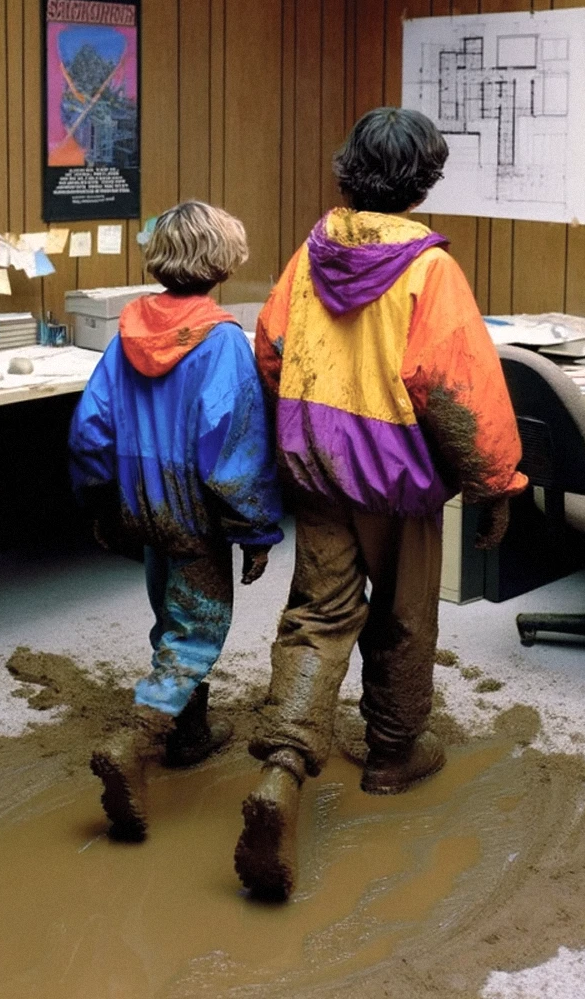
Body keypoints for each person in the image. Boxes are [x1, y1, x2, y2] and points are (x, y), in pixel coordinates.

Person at [235, 107, 527, 899]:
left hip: (317, 469)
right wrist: (495, 483)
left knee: (318, 614)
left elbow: (268, 350)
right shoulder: (431, 271)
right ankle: (393, 755)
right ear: (425, 180)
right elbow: (458, 393)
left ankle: (286, 766)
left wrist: (310, 418)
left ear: (347, 169)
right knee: (402, 612)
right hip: (397, 482)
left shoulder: (309, 254)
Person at [69, 200, 284, 842]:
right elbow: (235, 447)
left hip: (140, 504)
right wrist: (254, 530)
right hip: (196, 515)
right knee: (197, 630)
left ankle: (190, 733)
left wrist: (104, 505)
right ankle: (135, 741)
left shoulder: (127, 332)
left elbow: (90, 430)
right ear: (223, 265)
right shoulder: (221, 341)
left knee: (171, 610)